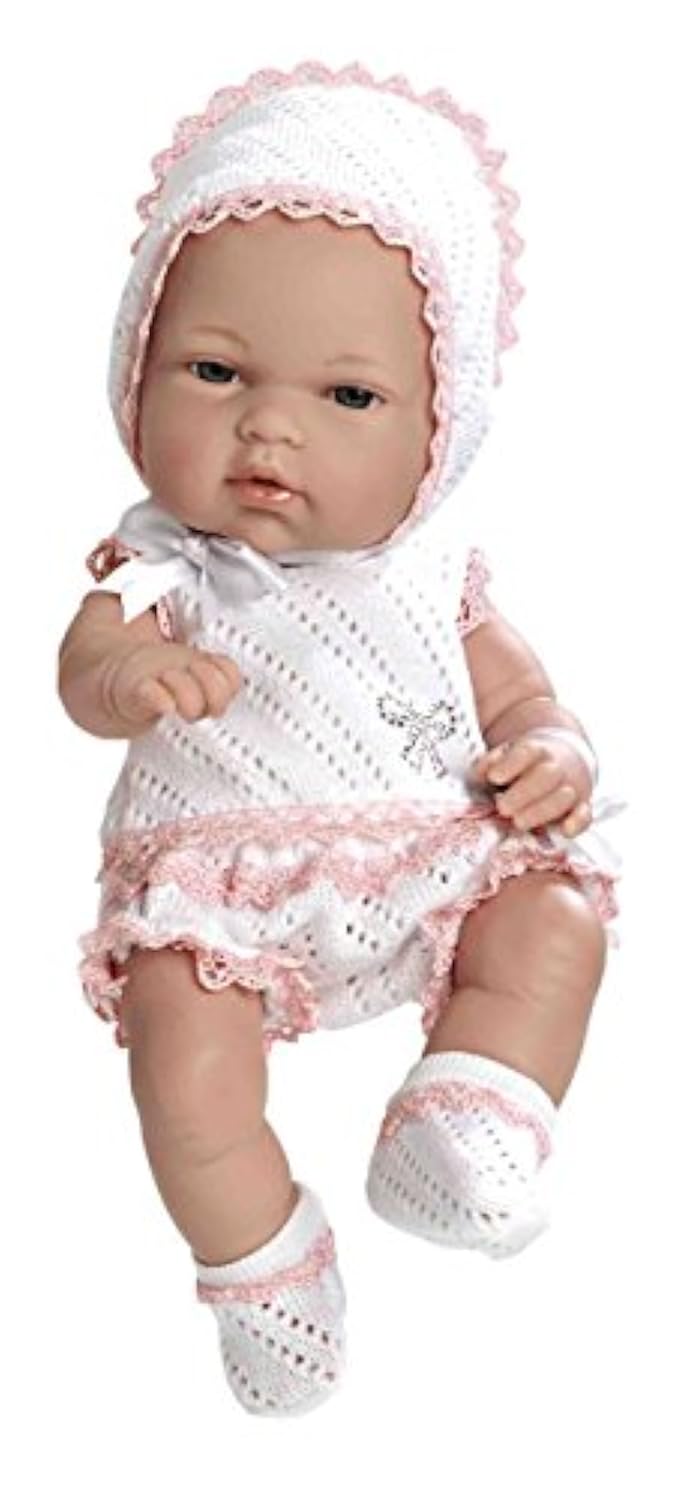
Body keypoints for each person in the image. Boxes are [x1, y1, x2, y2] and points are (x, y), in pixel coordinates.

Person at [57, 60, 622, 1418]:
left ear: (444, 426)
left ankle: (469, 1111)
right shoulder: (162, 564)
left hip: (433, 856)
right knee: (180, 1061)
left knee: (555, 918)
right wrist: (129, 677)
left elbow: (523, 696)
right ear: (136, 373)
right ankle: (260, 1258)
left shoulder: (433, 577)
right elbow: (82, 668)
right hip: (215, 887)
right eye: (213, 372)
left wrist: (551, 751)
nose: (269, 426)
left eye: (348, 398)